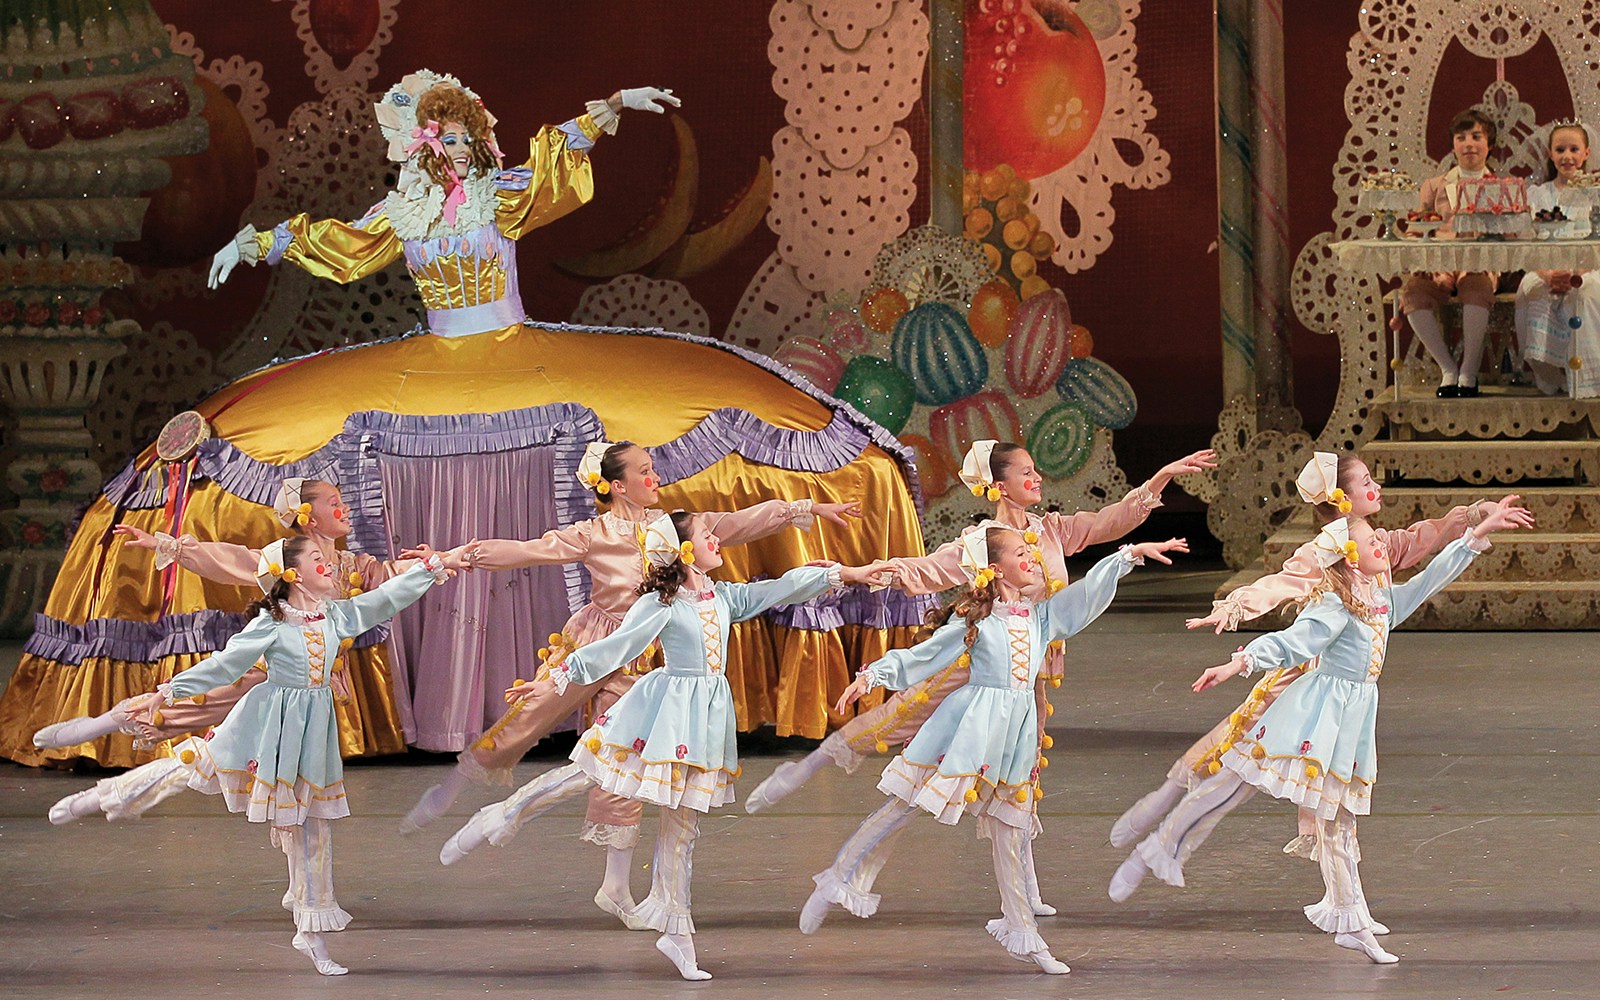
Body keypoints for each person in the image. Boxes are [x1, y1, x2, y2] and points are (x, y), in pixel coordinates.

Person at [433, 511, 886, 979]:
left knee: (682, 828)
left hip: (703, 722)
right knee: (584, 776)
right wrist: (554, 681)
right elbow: (619, 647)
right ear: (685, 550)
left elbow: (783, 588)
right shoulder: (662, 603)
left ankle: (676, 931)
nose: (717, 539)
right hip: (659, 710)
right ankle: (498, 816)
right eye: (707, 535)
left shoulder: (723, 596)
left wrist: (848, 574)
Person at [1107, 499, 1535, 965]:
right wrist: (1238, 662)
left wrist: (1475, 535)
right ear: (1350, 555)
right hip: (1313, 714)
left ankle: (1349, 914)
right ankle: (1158, 849)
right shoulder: (1334, 604)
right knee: (1239, 786)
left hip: (1349, 718)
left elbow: (1430, 580)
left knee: (1333, 817)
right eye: (1373, 540)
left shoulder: (1378, 597)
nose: (1382, 544)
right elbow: (1294, 640)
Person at [53, 537, 450, 975]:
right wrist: (168, 692)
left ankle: (311, 932)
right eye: (319, 561)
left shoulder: (335, 614)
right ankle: (100, 798)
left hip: (312, 733)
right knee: (190, 768)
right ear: (293, 574)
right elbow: (225, 665)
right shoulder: (271, 623)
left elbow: (383, 600)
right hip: (264, 723)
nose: (330, 566)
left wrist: (428, 570)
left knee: (312, 828)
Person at [1401, 108, 1501, 397]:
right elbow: (1417, 227)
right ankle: (1448, 368)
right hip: (1440, 264)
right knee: (1414, 294)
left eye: (1476, 136)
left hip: (1479, 263)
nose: (1469, 143)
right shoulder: (1434, 186)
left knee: (1476, 287)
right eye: (1461, 137)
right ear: (1453, 145)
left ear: (1489, 144)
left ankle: (1469, 371)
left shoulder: (1499, 188)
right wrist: (1422, 256)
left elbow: (1511, 233)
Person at [1515, 119, 1600, 398]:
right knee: (1530, 288)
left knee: (1583, 294)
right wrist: (1548, 273)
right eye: (1560, 149)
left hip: (1589, 269)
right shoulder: (1537, 195)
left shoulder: (1596, 194)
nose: (1567, 156)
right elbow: (1525, 243)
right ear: (1550, 154)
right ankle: (1548, 374)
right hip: (1546, 269)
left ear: (1586, 153)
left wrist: (1576, 273)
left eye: (1574, 149)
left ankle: (1586, 380)